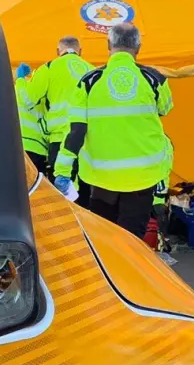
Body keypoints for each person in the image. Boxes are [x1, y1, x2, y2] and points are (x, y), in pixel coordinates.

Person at [54, 23, 173, 238]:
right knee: (132, 241)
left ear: (108, 45)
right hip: (142, 178)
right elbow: (165, 108)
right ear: (138, 48)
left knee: (104, 239)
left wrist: (62, 171)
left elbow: (76, 131)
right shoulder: (155, 79)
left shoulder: (88, 82)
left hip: (101, 178)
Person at [25, 36, 94, 175]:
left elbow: (29, 99)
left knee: (59, 184)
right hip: (88, 142)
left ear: (58, 51)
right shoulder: (92, 71)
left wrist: (21, 80)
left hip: (59, 139)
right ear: (80, 51)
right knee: (84, 185)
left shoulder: (49, 67)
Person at [15, 62, 50, 174]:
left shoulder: (19, 89)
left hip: (19, 145)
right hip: (38, 148)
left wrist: (20, 79)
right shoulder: (44, 95)